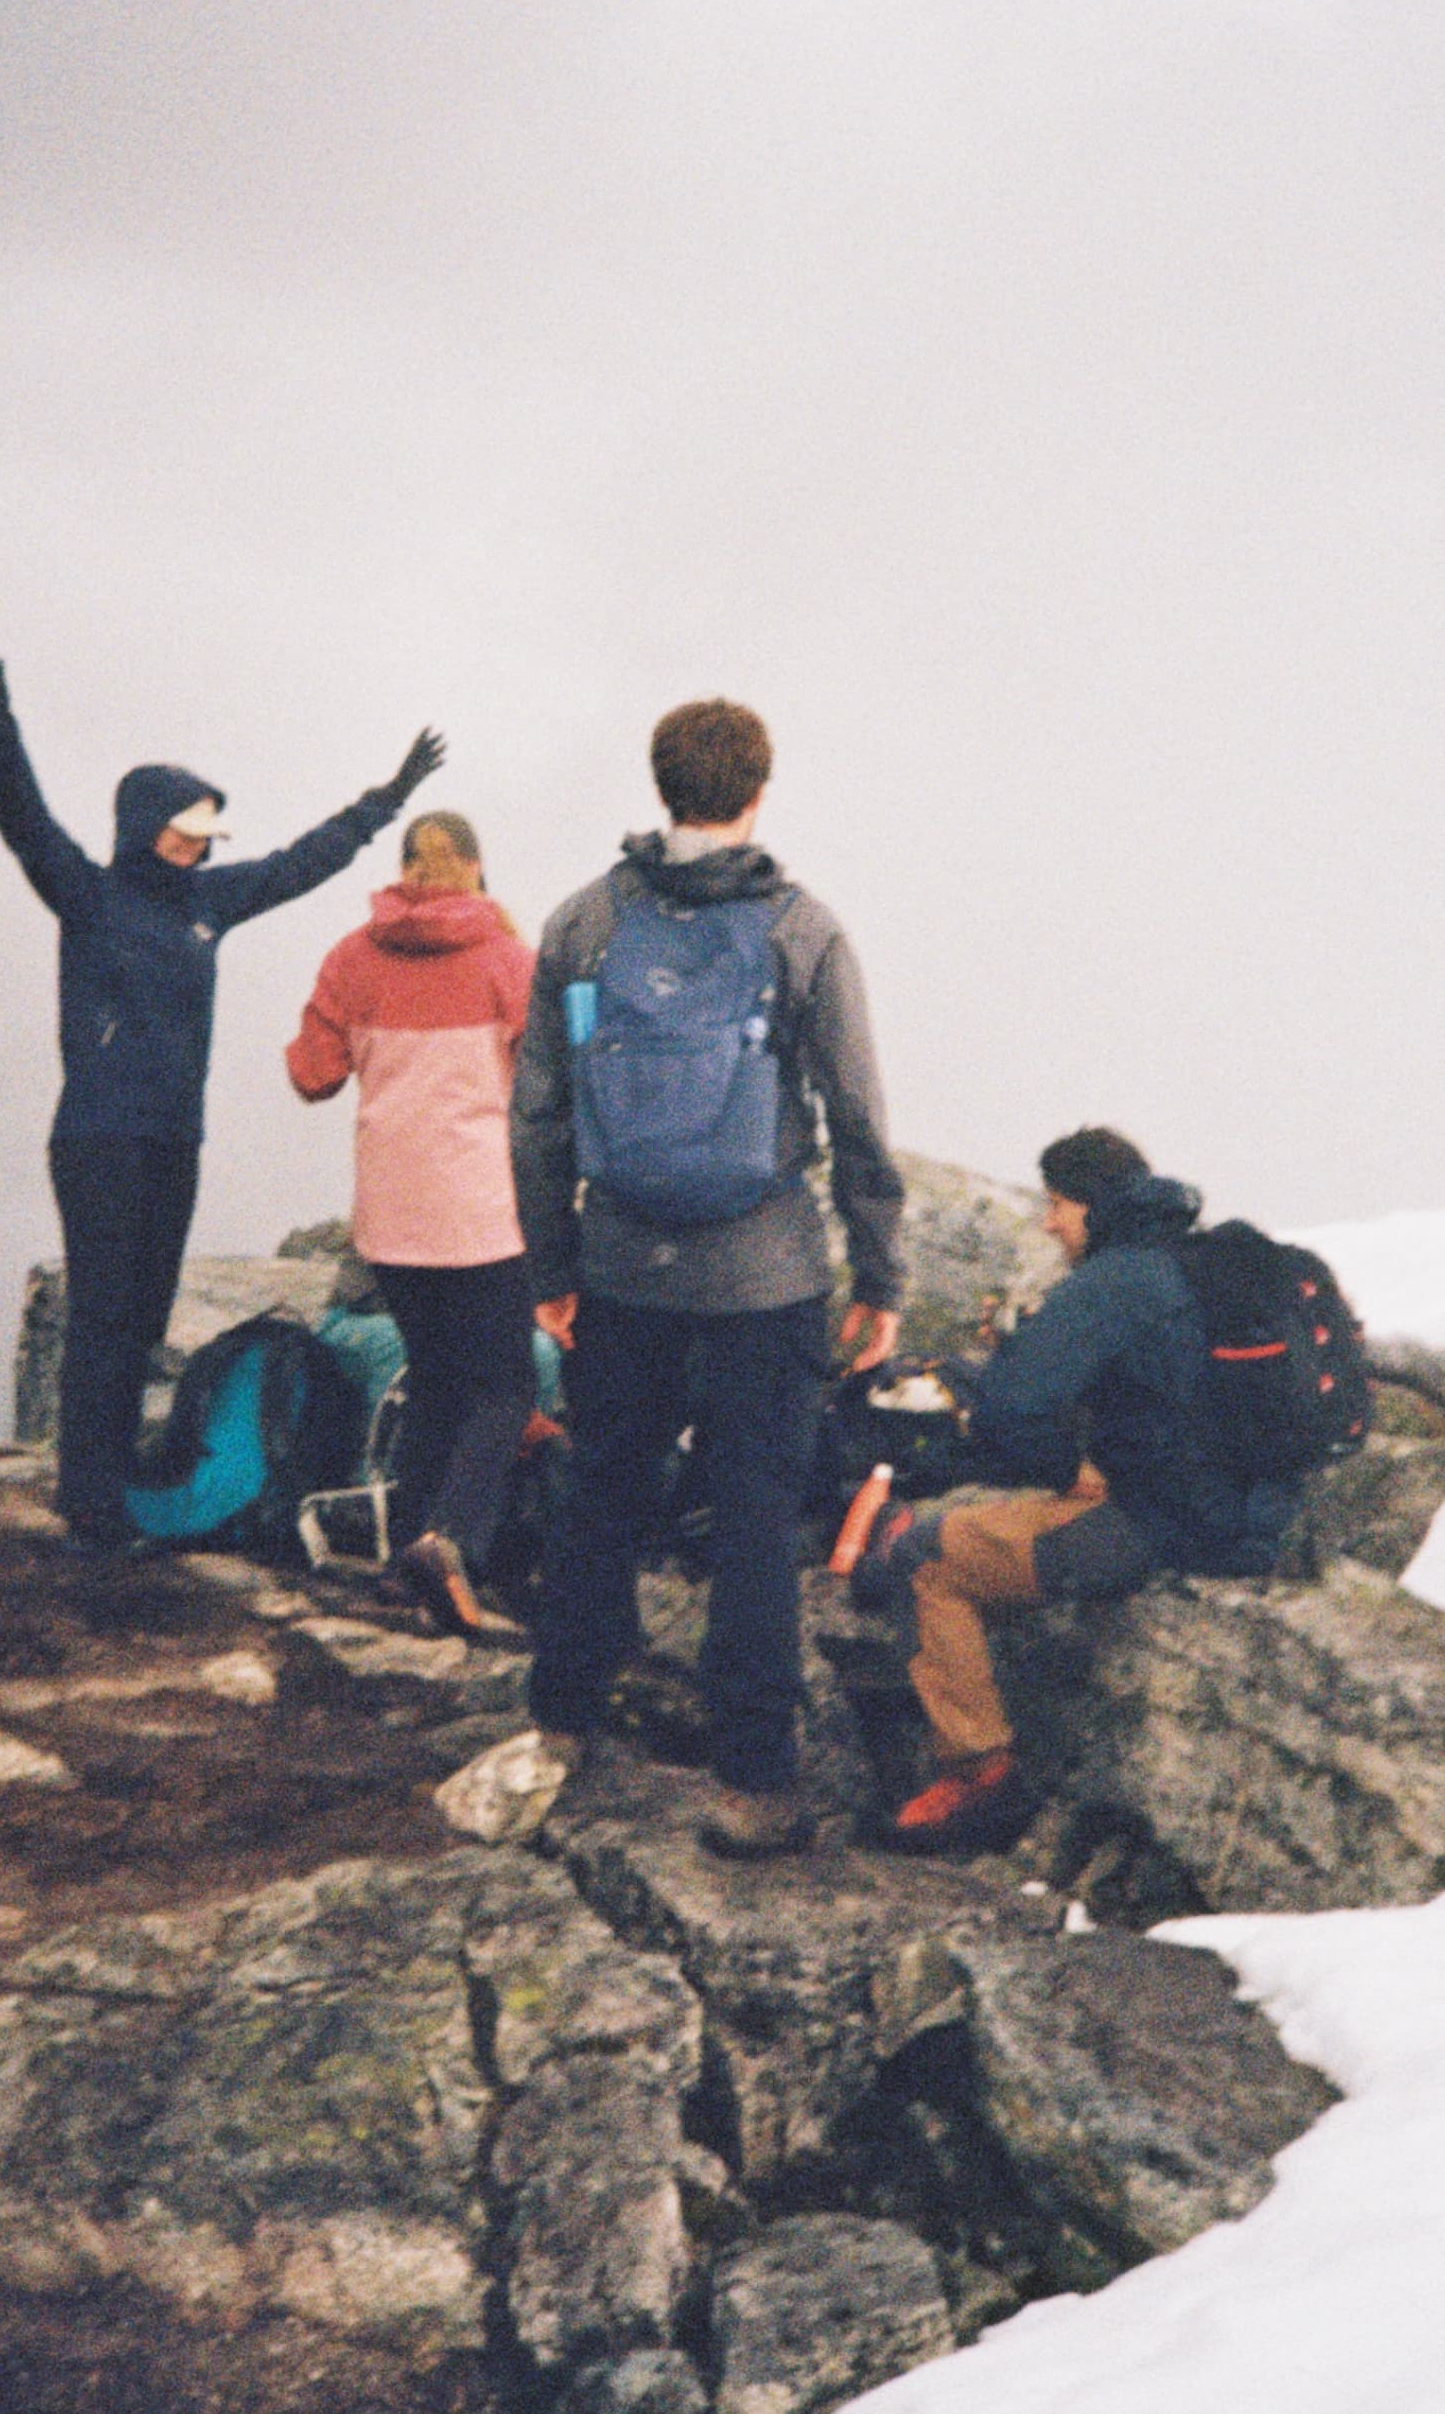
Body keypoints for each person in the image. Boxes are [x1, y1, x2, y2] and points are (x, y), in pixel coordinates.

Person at [511, 697, 904, 1859]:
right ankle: (753, 1782)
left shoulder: (584, 923)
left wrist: (552, 1263)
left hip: (624, 1267)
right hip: (765, 1280)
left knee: (601, 1493)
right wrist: (880, 1274)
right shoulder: (805, 931)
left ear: (660, 784)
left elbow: (536, 1112)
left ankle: (563, 1719)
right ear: (758, 791)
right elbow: (858, 1119)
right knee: (753, 1519)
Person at [0, 652, 444, 1552]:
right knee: (101, 1316)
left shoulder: (211, 898)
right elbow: (26, 825)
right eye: (182, 826)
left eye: (203, 829)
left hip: (174, 1139)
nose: (197, 841)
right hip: (99, 1139)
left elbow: (300, 864)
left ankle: (113, 1485)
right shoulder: (90, 895)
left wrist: (386, 800)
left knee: (143, 1314)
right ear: (145, 825)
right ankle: (89, 1502)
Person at [853, 1125, 1307, 1852]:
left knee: (926, 1558)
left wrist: (1063, 1471)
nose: (1048, 1223)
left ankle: (979, 1778)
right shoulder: (1203, 1264)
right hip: (1255, 1516)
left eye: (1058, 1204)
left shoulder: (1116, 1279)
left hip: (1164, 1526)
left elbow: (1008, 1408)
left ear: (1094, 1206)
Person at [287, 809, 538, 1633]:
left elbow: (312, 1075)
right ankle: (450, 1543)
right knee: (503, 1387)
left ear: (403, 872)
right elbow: (549, 1087)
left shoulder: (351, 959)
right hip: (479, 1214)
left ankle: (404, 1571)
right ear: (476, 869)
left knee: (434, 1382)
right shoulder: (508, 960)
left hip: (390, 1221)